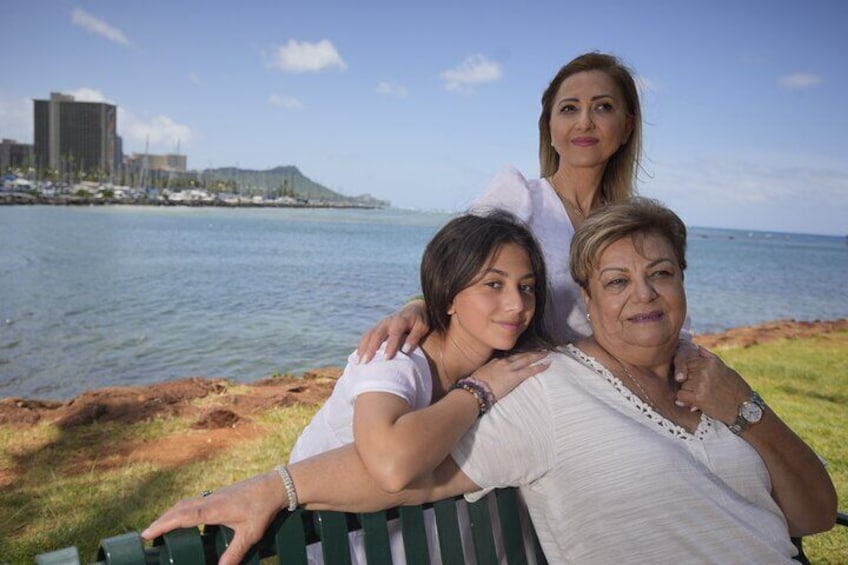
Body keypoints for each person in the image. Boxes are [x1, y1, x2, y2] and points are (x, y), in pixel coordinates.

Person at [144, 198, 837, 565]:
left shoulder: (710, 376)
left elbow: (811, 514)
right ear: (588, 304)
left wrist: (744, 409)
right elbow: (404, 466)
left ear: (685, 284)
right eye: (617, 281)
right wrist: (272, 487)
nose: (643, 295)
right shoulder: (545, 386)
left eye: (661, 273)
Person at [287, 210, 552, 563]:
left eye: (527, 287)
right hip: (339, 545)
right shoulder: (396, 357)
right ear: (447, 297)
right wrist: (477, 392)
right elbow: (391, 465)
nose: (517, 304)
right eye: (494, 284)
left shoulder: (505, 365)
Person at [358, 51, 645, 360]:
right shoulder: (519, 197)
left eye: (602, 107)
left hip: (609, 379)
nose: (585, 122)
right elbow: (458, 272)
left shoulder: (634, 226)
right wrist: (417, 306)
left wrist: (683, 350)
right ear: (549, 128)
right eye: (569, 108)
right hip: (522, 379)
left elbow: (663, 313)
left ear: (627, 127)